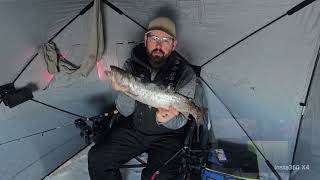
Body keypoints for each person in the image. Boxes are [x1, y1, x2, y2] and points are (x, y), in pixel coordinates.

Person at [88, 17, 197, 180]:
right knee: (98, 158)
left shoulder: (186, 74)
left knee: (157, 177)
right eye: (154, 38)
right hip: (135, 129)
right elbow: (125, 111)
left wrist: (164, 120)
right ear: (145, 40)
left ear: (174, 45)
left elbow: (181, 121)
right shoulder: (131, 64)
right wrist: (124, 91)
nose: (158, 45)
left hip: (167, 138)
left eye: (165, 40)